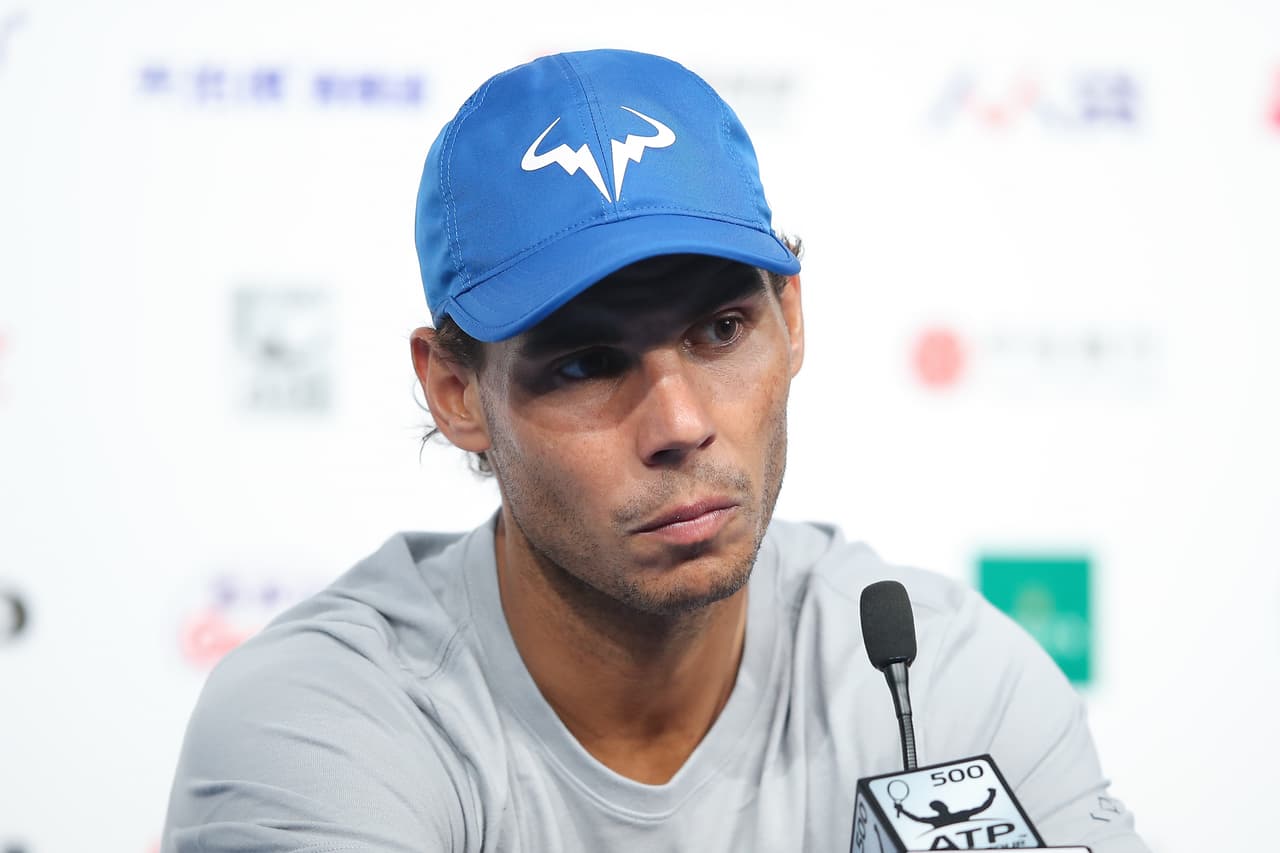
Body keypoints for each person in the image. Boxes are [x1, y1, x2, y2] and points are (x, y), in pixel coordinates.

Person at [161, 48, 1150, 852]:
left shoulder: (938, 686)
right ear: (455, 392)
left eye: (719, 330)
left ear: (790, 317)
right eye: (586, 362)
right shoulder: (328, 719)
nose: (678, 421)